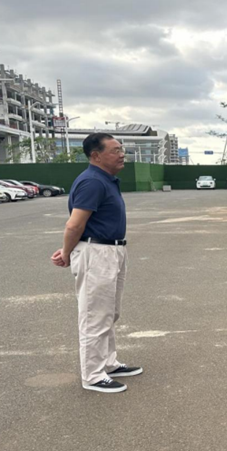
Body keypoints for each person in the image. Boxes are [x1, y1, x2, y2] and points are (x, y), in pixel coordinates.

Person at [51, 133, 142, 394]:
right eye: (115, 150)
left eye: (121, 149)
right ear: (96, 155)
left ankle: (108, 363)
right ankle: (92, 375)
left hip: (111, 250)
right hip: (96, 252)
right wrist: (67, 252)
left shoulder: (106, 179)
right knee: (95, 315)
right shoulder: (92, 181)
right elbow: (75, 224)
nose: (121, 154)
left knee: (109, 312)